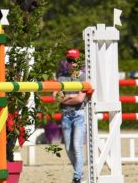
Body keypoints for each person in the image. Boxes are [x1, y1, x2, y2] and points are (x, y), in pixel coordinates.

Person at [53, 48, 88, 183]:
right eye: (69, 60)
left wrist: (66, 98)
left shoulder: (83, 77)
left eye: (74, 60)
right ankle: (80, 174)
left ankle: (77, 178)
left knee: (76, 146)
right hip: (65, 115)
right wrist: (71, 96)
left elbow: (80, 99)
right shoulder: (61, 77)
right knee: (68, 148)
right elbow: (56, 97)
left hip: (79, 114)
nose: (72, 63)